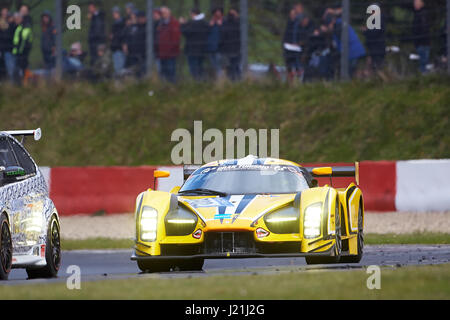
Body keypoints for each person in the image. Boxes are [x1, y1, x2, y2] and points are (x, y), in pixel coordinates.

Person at [180, 8, 208, 81]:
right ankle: (202, 81)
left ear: (193, 14)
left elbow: (186, 32)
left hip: (192, 49)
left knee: (194, 68)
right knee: (200, 67)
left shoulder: (193, 23)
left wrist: (183, 24)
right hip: (202, 49)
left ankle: (196, 82)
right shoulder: (204, 23)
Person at [156, 6, 181, 83]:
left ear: (169, 13)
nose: (163, 14)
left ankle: (172, 88)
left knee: (171, 72)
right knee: (163, 72)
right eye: (162, 13)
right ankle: (165, 88)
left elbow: (176, 39)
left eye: (164, 12)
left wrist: (170, 49)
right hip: (162, 54)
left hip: (170, 54)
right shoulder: (160, 24)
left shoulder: (174, 23)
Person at [363, 3, 386, 72]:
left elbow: (374, 33)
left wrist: (366, 31)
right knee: (374, 66)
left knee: (377, 67)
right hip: (374, 48)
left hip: (377, 48)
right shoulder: (376, 19)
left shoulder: (378, 20)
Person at [221, 8, 241, 81]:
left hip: (227, 49)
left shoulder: (225, 23)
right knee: (236, 65)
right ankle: (238, 79)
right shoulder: (239, 23)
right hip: (237, 48)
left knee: (230, 66)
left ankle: (231, 80)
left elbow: (222, 36)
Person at [12, 13, 33, 83]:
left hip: (22, 54)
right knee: (19, 70)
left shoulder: (25, 28)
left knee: (21, 69)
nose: (16, 20)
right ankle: (22, 83)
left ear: (21, 19)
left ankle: (24, 83)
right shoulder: (19, 27)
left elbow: (24, 42)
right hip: (17, 53)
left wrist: (20, 52)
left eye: (17, 19)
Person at [412, 0, 431, 73]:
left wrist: (419, 41)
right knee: (422, 63)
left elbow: (423, 29)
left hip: (422, 43)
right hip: (420, 43)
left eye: (416, 3)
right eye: (414, 3)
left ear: (421, 4)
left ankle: (424, 79)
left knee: (423, 64)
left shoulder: (422, 14)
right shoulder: (418, 14)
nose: (414, 5)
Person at [207, 7, 224, 79]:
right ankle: (216, 79)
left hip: (220, 48)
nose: (216, 16)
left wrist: (221, 26)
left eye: (218, 15)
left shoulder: (224, 23)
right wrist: (209, 26)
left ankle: (221, 80)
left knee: (220, 65)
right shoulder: (210, 23)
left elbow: (226, 34)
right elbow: (206, 34)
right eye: (215, 15)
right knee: (214, 65)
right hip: (211, 48)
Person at [87, 1, 106, 66]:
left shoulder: (97, 17)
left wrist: (92, 37)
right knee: (94, 58)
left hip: (96, 41)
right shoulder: (94, 17)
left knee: (97, 58)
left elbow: (98, 30)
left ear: (94, 8)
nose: (89, 10)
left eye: (90, 8)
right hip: (94, 40)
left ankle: (97, 72)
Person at [0, 7, 16, 81]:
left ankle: (10, 86)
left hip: (8, 50)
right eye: (3, 12)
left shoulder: (11, 24)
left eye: (6, 12)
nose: (4, 14)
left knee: (10, 70)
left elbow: (9, 36)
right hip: (2, 50)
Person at [110, 6, 125, 76]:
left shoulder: (121, 23)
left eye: (115, 13)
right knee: (117, 68)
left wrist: (113, 36)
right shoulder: (115, 23)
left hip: (119, 48)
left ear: (118, 13)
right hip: (115, 48)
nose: (113, 14)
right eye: (113, 13)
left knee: (120, 68)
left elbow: (121, 35)